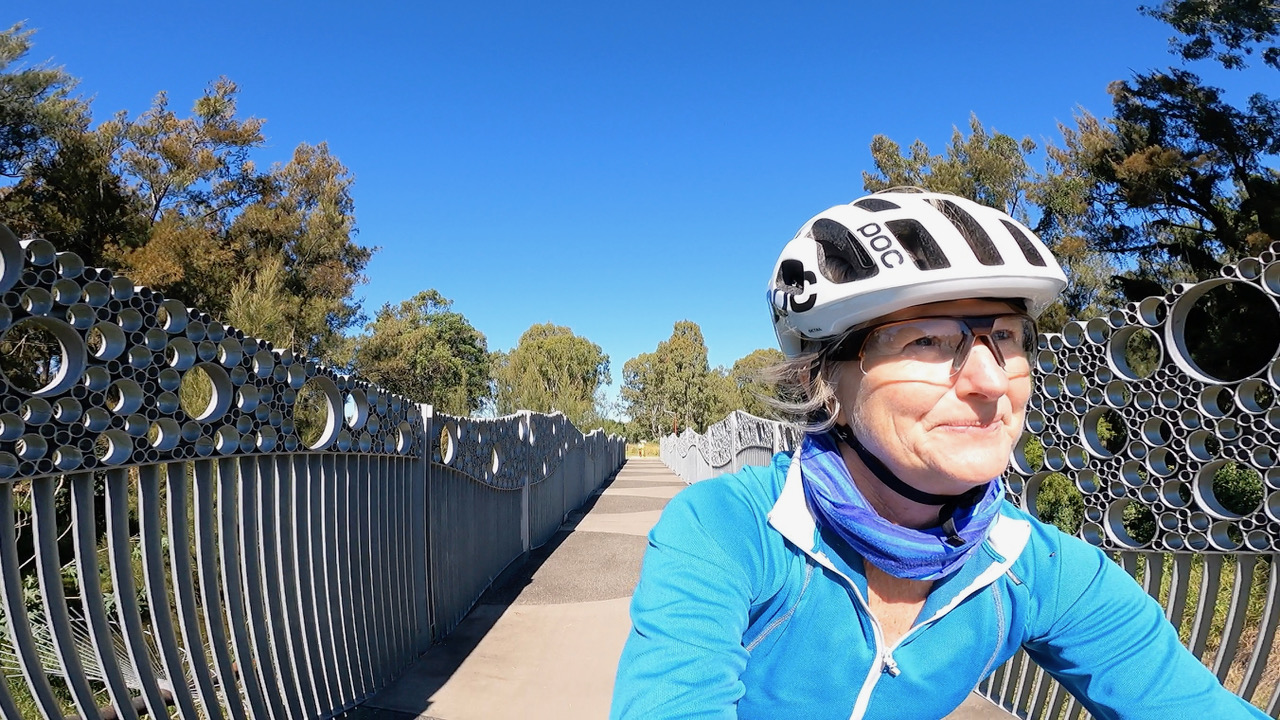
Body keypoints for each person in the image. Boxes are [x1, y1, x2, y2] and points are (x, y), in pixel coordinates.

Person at [610, 189, 1268, 719]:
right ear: (823, 381)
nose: (989, 381)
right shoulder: (728, 530)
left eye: (1005, 338)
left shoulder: (1033, 567)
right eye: (926, 340)